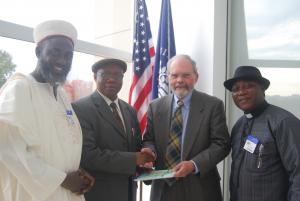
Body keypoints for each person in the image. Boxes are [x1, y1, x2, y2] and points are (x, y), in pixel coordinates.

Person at [0, 20, 94, 201]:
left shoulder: (61, 95)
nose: (62, 60)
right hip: (33, 194)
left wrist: (77, 174)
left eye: (68, 55)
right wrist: (62, 179)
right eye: (55, 52)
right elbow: (8, 149)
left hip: (68, 191)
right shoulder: (20, 89)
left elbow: (60, 147)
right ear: (38, 52)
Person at [142, 54, 231, 201]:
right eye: (174, 75)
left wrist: (193, 164)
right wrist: (149, 152)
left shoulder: (213, 105)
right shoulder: (155, 107)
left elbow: (222, 144)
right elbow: (149, 139)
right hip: (163, 188)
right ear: (168, 78)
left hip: (200, 188)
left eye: (186, 75)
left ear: (196, 77)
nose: (179, 80)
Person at [72, 58, 155, 201]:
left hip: (129, 193)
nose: (112, 79)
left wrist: (145, 155)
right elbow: (88, 155)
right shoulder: (80, 109)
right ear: (95, 77)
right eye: (105, 74)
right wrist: (133, 159)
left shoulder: (129, 110)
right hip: (100, 193)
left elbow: (135, 146)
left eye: (117, 75)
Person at [224, 66, 300, 201]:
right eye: (235, 89)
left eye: (249, 86)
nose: (241, 92)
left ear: (263, 89)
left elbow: (298, 172)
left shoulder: (283, 122)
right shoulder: (239, 125)